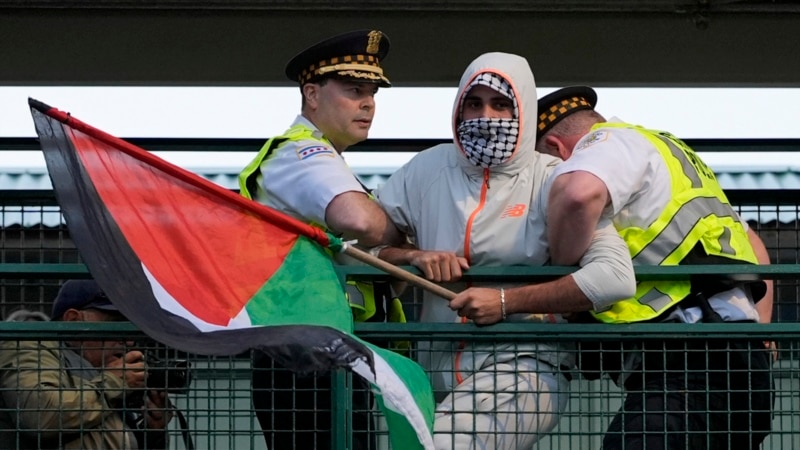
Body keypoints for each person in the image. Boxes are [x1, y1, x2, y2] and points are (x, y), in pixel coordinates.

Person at [375, 52, 636, 450]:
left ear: (525, 112)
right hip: (430, 378)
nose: (487, 116)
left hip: (528, 371)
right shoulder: (425, 170)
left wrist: (505, 300)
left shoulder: (555, 179)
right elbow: (366, 249)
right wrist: (414, 256)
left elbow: (614, 278)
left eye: (501, 105)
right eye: (474, 104)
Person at [533, 86, 773, 449]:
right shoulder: (666, 151)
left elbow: (577, 195)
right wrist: (762, 337)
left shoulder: (604, 144)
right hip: (743, 366)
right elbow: (754, 246)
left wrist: (565, 268)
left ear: (555, 148)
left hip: (689, 360)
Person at [238, 29, 406, 450]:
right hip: (304, 352)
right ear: (312, 95)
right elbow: (360, 220)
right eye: (353, 90)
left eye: (372, 93)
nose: (368, 103)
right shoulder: (302, 153)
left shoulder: (324, 157)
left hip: (321, 346)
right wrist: (402, 232)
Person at [0, 280, 172, 449]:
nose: (129, 342)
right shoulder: (30, 347)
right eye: (115, 325)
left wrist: (152, 430)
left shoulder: (108, 377)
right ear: (73, 320)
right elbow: (40, 416)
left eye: (130, 328)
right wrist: (113, 383)